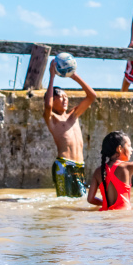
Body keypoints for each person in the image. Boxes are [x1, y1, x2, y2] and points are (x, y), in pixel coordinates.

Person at [45, 60, 97, 197]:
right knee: (65, 202)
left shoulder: (73, 115)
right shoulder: (52, 118)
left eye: (66, 97)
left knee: (80, 201)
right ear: (53, 99)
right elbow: (47, 105)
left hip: (79, 166)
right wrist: (52, 76)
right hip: (64, 166)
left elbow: (92, 96)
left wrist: (74, 76)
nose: (65, 100)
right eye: (61, 97)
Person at [86, 131, 133, 210]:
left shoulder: (98, 171)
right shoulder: (128, 167)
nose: (132, 149)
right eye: (129, 146)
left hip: (105, 214)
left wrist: (104, 202)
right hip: (124, 215)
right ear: (119, 149)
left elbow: (90, 199)